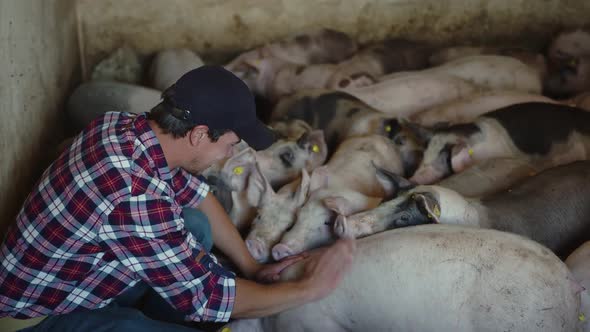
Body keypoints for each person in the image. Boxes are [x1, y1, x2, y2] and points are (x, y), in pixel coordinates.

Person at [0, 66, 355, 331]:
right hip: (37, 316)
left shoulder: (121, 126)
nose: (226, 155)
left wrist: (251, 267)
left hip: (74, 275)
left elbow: (197, 196)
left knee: (195, 224)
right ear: (200, 134)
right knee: (201, 302)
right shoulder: (136, 191)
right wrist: (308, 288)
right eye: (230, 144)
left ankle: (159, 306)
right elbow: (208, 298)